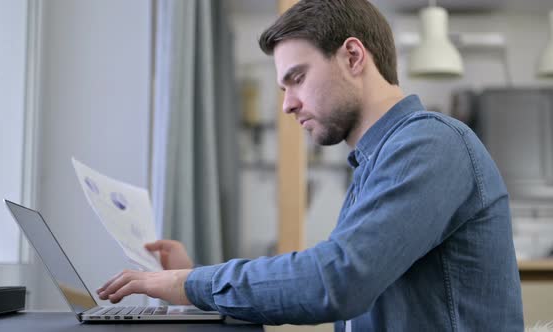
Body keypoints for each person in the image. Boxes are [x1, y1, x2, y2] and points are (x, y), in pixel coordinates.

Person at [97, 0, 524, 330]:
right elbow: (330, 277)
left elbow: (336, 281)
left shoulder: (431, 143)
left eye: (297, 78)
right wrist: (196, 280)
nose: (286, 104)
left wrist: (190, 285)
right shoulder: (379, 161)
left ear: (353, 57)